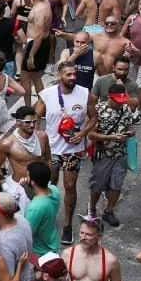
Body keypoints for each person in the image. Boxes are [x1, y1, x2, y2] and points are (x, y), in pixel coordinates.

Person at [36, 60, 95, 245]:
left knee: (70, 186)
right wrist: (38, 141)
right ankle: (49, 219)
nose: (72, 77)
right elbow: (35, 117)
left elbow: (94, 118)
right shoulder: (47, 95)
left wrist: (82, 133)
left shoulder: (85, 93)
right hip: (52, 150)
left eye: (74, 74)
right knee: (50, 186)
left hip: (73, 150)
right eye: (68, 74)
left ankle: (68, 225)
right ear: (60, 76)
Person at [87, 81, 141, 227]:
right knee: (97, 185)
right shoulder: (98, 110)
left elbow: (131, 127)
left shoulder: (125, 108)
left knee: (117, 185)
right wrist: (111, 137)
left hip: (121, 154)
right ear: (109, 97)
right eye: (117, 101)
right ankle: (91, 209)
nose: (120, 104)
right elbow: (91, 134)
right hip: (103, 154)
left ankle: (109, 211)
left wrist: (129, 133)